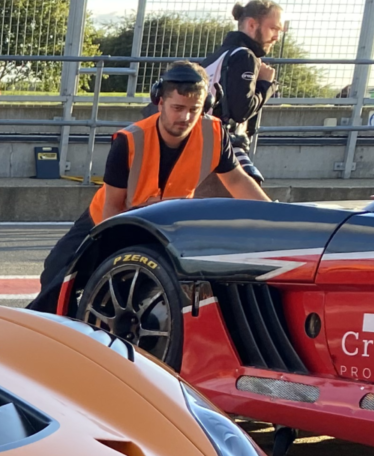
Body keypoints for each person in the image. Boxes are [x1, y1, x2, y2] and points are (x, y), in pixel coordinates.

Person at [32, 61, 269, 312]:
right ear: (160, 102)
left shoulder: (214, 133)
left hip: (164, 228)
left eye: (194, 109)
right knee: (56, 281)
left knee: (131, 298)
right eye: (177, 108)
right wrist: (118, 257)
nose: (185, 117)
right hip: (108, 221)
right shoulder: (129, 140)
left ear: (206, 106)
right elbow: (113, 206)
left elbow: (237, 180)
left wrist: (271, 217)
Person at [202, 0, 284, 184]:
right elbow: (241, 112)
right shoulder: (245, 56)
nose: (276, 37)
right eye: (273, 28)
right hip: (221, 147)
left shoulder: (220, 54)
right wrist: (265, 84)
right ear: (251, 24)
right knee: (250, 193)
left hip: (202, 142)